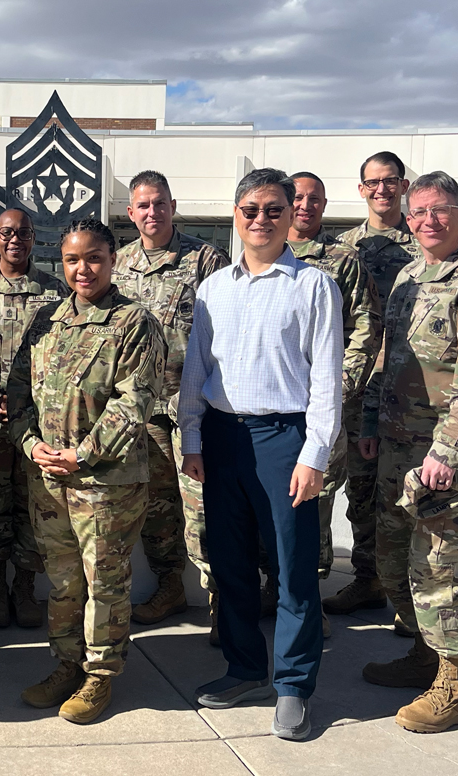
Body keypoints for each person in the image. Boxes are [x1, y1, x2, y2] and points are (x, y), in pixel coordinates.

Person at [179, 168, 342, 742]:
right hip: (223, 441)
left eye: (274, 209)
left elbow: (327, 379)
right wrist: (193, 439)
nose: (261, 220)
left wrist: (314, 454)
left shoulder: (313, 286)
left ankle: (294, 686)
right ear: (235, 213)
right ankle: (246, 669)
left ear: (290, 215)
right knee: (230, 565)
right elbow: (196, 371)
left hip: (284, 441)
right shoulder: (213, 288)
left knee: (293, 568)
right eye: (251, 209)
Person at [359, 171, 458, 734]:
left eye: (441, 209)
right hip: (396, 451)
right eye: (419, 211)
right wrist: (370, 421)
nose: (429, 219)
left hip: (444, 460)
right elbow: (388, 359)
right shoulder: (407, 277)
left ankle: (455, 686)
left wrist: (448, 454)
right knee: (391, 560)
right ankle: (424, 657)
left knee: (437, 569)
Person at [9, 218, 164, 724]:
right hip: (48, 479)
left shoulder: (133, 322)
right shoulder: (45, 321)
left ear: (112, 260)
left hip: (106, 482)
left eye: (94, 258)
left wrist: (85, 454)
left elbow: (133, 401)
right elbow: (17, 395)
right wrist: (31, 445)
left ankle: (101, 676)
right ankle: (66, 663)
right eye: (73, 259)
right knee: (62, 581)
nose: (83, 269)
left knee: (105, 582)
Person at [112, 170, 229, 638]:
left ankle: (222, 600)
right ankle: (168, 586)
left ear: (172, 206)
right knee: (156, 505)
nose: (152, 212)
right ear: (131, 212)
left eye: (160, 203)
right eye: (143, 205)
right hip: (143, 407)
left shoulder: (204, 258)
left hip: (193, 404)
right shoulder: (118, 265)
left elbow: (228, 330)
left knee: (202, 505)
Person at [323, 151, 422, 627]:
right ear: (360, 189)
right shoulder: (343, 248)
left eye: (390, 182)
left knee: (402, 493)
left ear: (404, 186)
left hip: (407, 387)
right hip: (355, 387)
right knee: (357, 490)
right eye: (372, 183)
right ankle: (368, 581)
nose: (381, 190)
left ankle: (404, 591)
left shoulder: (424, 240)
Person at [286, 171, 383, 638]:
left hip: (325, 409)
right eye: (298, 198)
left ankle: (310, 596)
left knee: (317, 500)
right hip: (274, 407)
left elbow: (365, 329)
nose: (305, 207)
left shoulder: (342, 259)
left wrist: (336, 388)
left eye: (315, 200)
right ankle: (276, 586)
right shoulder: (258, 254)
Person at [0, 208, 67, 628]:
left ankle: (23, 588)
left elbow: (63, 359)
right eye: (7, 233)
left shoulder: (56, 293)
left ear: (33, 238)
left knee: (32, 506)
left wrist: (26, 401)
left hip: (37, 423)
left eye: (24, 233)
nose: (15, 240)